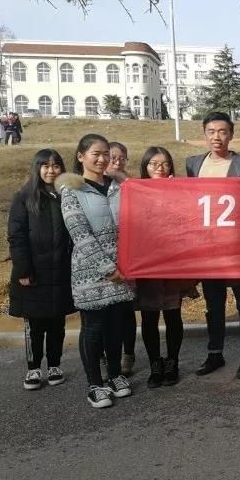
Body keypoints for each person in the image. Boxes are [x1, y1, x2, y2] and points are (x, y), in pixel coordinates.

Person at [56, 134, 135, 408]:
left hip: (123, 271)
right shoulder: (71, 191)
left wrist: (126, 265)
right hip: (91, 274)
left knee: (115, 328)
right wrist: (108, 268)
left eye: (106, 154)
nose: (102, 159)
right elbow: (80, 235)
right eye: (95, 154)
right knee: (93, 329)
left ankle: (114, 375)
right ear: (81, 156)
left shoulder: (118, 187)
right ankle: (94, 384)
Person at [185, 112, 240, 379]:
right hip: (208, 246)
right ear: (204, 134)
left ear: (231, 134)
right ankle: (215, 353)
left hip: (237, 245)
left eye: (222, 131)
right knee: (213, 303)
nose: (217, 137)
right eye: (211, 131)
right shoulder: (193, 164)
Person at [8, 149, 75, 390]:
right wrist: (23, 271)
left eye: (56, 166)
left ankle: (55, 365)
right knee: (35, 326)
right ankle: (33, 368)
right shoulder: (24, 197)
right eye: (45, 166)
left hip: (61, 272)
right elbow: (16, 237)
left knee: (57, 324)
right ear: (37, 168)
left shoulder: (67, 195)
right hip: (34, 274)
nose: (51, 171)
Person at [135, 147, 190, 387]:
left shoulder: (178, 191)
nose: (160, 168)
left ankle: (172, 362)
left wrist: (172, 193)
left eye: (165, 163)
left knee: (173, 315)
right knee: (149, 317)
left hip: (172, 263)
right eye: (154, 164)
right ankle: (155, 364)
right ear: (145, 167)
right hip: (147, 265)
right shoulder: (136, 191)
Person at [105, 141, 136, 377]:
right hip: (100, 255)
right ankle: (104, 357)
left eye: (121, 158)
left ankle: (128, 354)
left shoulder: (129, 185)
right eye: (112, 157)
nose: (116, 162)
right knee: (104, 311)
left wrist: (120, 176)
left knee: (126, 310)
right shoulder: (91, 185)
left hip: (126, 254)